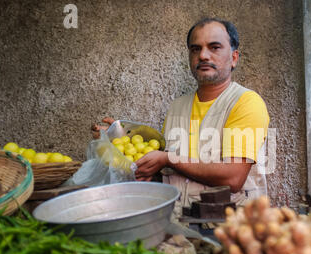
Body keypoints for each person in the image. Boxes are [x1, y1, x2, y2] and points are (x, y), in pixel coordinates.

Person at [92, 18, 270, 221]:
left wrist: (167, 159)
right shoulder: (178, 106)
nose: (203, 55)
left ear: (234, 58)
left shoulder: (246, 103)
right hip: (178, 222)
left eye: (214, 47)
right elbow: (177, 169)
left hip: (231, 228)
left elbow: (233, 178)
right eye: (195, 49)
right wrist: (120, 141)